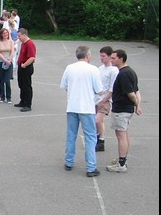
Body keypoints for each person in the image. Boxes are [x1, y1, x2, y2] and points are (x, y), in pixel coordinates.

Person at [60, 46, 103, 177]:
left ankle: (69, 161)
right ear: (88, 55)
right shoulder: (93, 69)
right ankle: (91, 167)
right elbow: (99, 89)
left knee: (71, 135)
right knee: (90, 137)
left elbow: (64, 86)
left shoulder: (69, 68)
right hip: (87, 108)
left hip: (72, 106)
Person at [106, 49, 143, 173]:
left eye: (113, 58)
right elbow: (137, 91)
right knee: (124, 134)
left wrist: (136, 104)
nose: (111, 60)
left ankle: (121, 164)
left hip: (122, 109)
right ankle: (123, 159)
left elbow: (131, 93)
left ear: (121, 59)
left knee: (121, 135)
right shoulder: (130, 72)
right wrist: (137, 105)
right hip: (126, 109)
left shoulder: (124, 74)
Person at [94, 46, 119, 152]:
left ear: (109, 57)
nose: (101, 58)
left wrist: (106, 99)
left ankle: (100, 140)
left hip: (105, 100)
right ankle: (100, 139)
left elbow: (112, 87)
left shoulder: (113, 70)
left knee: (97, 120)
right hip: (96, 98)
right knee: (98, 121)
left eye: (103, 56)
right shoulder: (100, 69)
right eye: (100, 55)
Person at [14, 28, 37, 112]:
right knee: (21, 85)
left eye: (19, 36)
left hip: (26, 67)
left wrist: (24, 64)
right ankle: (22, 101)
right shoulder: (23, 43)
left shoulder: (30, 44)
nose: (18, 38)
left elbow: (32, 57)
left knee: (27, 86)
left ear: (24, 35)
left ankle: (28, 104)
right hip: (21, 66)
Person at [0, 28, 14, 103]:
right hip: (1, 62)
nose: (5, 34)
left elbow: (12, 52)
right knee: (1, 80)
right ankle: (2, 97)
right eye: (4, 33)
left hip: (9, 62)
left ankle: (8, 97)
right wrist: (5, 60)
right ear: (1, 34)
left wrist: (9, 60)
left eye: (6, 33)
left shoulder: (11, 42)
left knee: (7, 80)